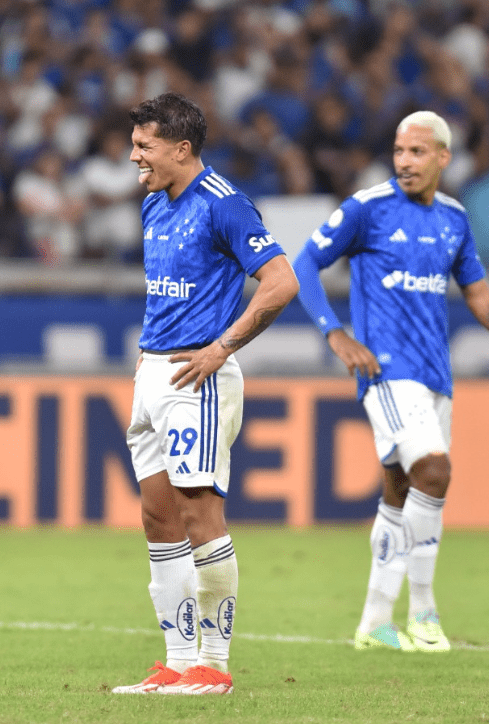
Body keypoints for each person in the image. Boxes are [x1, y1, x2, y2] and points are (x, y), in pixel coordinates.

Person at [292, 111, 489, 653]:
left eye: (417, 152)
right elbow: (302, 263)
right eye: (398, 151)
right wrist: (335, 334)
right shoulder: (368, 209)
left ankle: (374, 624)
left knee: (400, 492)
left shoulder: (454, 220)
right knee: (434, 472)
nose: (404, 162)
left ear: (443, 157)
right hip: (387, 372)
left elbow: (480, 298)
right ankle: (423, 611)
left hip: (436, 374)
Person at [113, 93, 299, 695]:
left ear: (181, 148)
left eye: (145, 145)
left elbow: (280, 282)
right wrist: (148, 353)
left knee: (198, 512)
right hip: (153, 374)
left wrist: (223, 348)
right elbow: (167, 289)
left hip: (201, 377)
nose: (134, 155)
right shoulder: (153, 205)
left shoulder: (225, 205)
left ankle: (213, 666)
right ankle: (176, 661)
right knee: (157, 516)